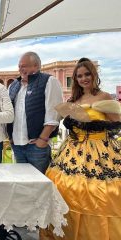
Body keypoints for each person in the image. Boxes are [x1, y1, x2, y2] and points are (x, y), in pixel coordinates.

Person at [40, 58, 121, 240]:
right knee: (61, 185)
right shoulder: (74, 99)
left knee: (99, 193)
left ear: (94, 75)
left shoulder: (104, 97)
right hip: (73, 149)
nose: (83, 78)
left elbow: (116, 124)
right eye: (79, 76)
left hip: (100, 151)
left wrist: (94, 124)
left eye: (87, 74)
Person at [7, 52, 63, 173]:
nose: (20, 69)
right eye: (19, 66)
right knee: (23, 183)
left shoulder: (49, 81)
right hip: (17, 145)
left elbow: (53, 115)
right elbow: (9, 113)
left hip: (36, 146)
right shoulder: (13, 85)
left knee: (40, 185)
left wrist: (42, 140)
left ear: (36, 66)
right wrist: (11, 138)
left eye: (24, 66)